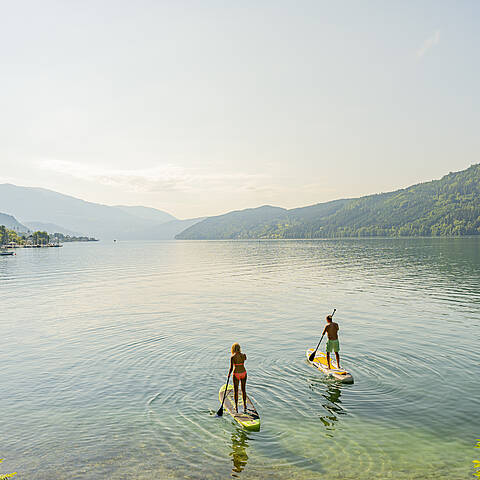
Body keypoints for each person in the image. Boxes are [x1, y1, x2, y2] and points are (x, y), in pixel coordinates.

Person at [228, 342, 247, 413]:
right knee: (243, 389)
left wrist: (229, 374)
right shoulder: (244, 355)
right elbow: (244, 359)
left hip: (236, 374)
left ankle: (236, 406)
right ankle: (245, 405)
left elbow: (231, 368)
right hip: (244, 373)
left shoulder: (232, 357)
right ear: (239, 348)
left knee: (236, 391)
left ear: (233, 349)